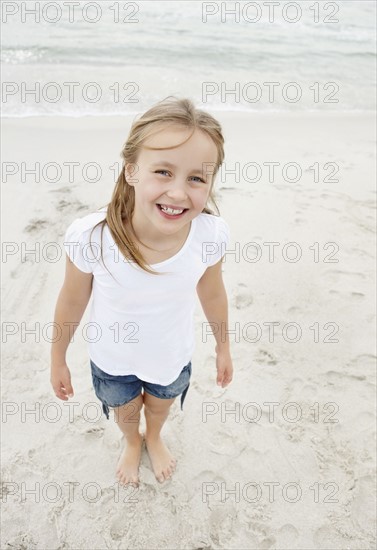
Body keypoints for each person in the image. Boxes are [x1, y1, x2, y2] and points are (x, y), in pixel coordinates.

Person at [50, 96, 233, 486]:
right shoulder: (93, 237)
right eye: (163, 172)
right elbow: (72, 299)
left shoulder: (208, 235)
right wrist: (57, 356)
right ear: (132, 170)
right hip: (112, 356)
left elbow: (213, 292)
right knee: (126, 409)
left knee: (161, 406)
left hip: (171, 354)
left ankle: (155, 435)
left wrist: (223, 346)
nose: (179, 193)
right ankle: (132, 442)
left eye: (197, 178)